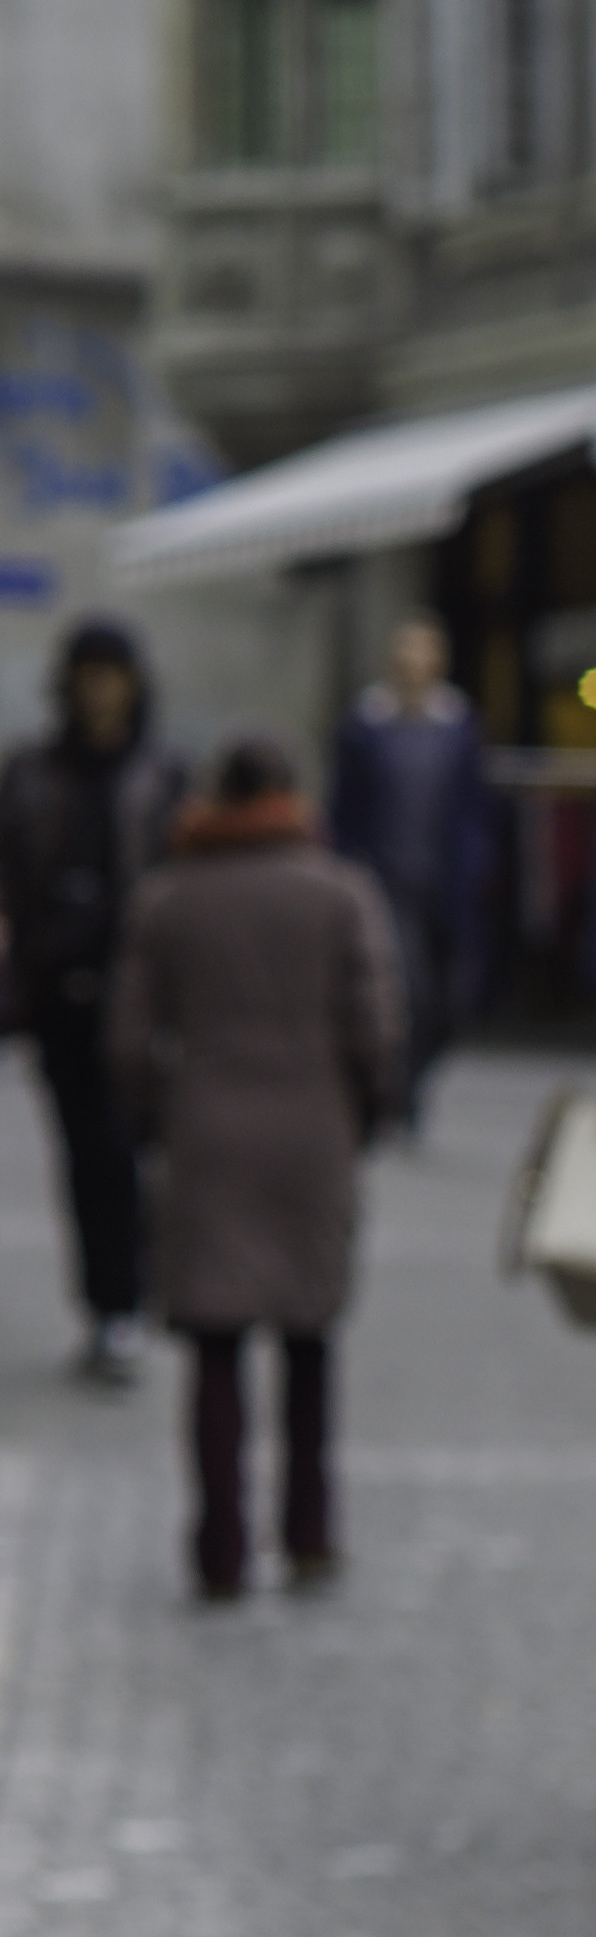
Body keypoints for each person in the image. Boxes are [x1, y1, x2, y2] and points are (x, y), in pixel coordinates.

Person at [116, 737, 399, 1601]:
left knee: (214, 1346)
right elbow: (377, 1026)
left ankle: (220, 1546)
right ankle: (309, 1532)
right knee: (308, 1339)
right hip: (312, 1128)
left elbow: (128, 1039)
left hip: (208, 1131)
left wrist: (155, 1117)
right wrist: (365, 1113)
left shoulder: (170, 898)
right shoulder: (339, 893)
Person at [0, 620, 198, 1382]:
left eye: (111, 674)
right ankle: (105, 1304)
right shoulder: (32, 770)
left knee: (124, 1149)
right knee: (83, 1152)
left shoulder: (161, 771)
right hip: (56, 985)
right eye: (88, 673)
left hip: (138, 989)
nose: (99, 691)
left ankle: (126, 1300)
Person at [326, 613, 496, 1138]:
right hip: (383, 880)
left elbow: (473, 806)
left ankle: (410, 1082)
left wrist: (476, 863)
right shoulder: (365, 725)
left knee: (449, 998)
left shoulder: (458, 726)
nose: (414, 664)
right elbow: (345, 807)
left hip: (443, 882)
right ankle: (394, 1092)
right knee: (406, 990)